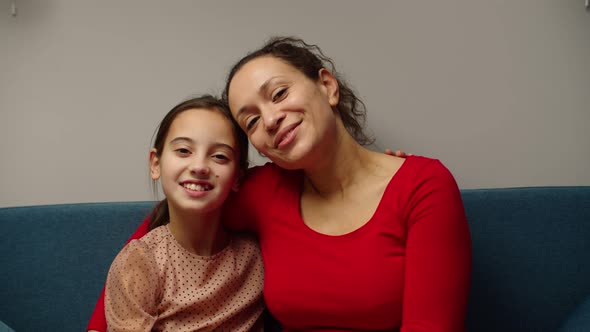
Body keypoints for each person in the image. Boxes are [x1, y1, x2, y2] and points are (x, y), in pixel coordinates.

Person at [89, 36, 471, 331]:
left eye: (279, 94)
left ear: (327, 86)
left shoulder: (423, 185)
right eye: (251, 121)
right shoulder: (261, 193)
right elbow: (168, 226)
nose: (270, 119)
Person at [100, 96, 264, 332]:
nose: (199, 166)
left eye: (219, 156)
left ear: (238, 176)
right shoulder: (141, 262)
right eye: (184, 150)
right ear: (156, 164)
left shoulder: (256, 256)